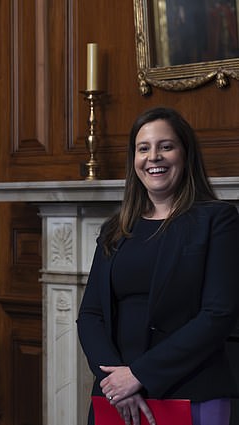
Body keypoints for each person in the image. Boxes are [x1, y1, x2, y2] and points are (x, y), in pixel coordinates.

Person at [77, 107, 239, 425]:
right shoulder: (115, 229)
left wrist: (140, 374)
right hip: (116, 395)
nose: (154, 157)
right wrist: (116, 382)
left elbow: (218, 314)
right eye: (144, 148)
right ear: (134, 160)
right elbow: (90, 315)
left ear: (185, 154)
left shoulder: (217, 221)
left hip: (190, 391)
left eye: (166, 146)